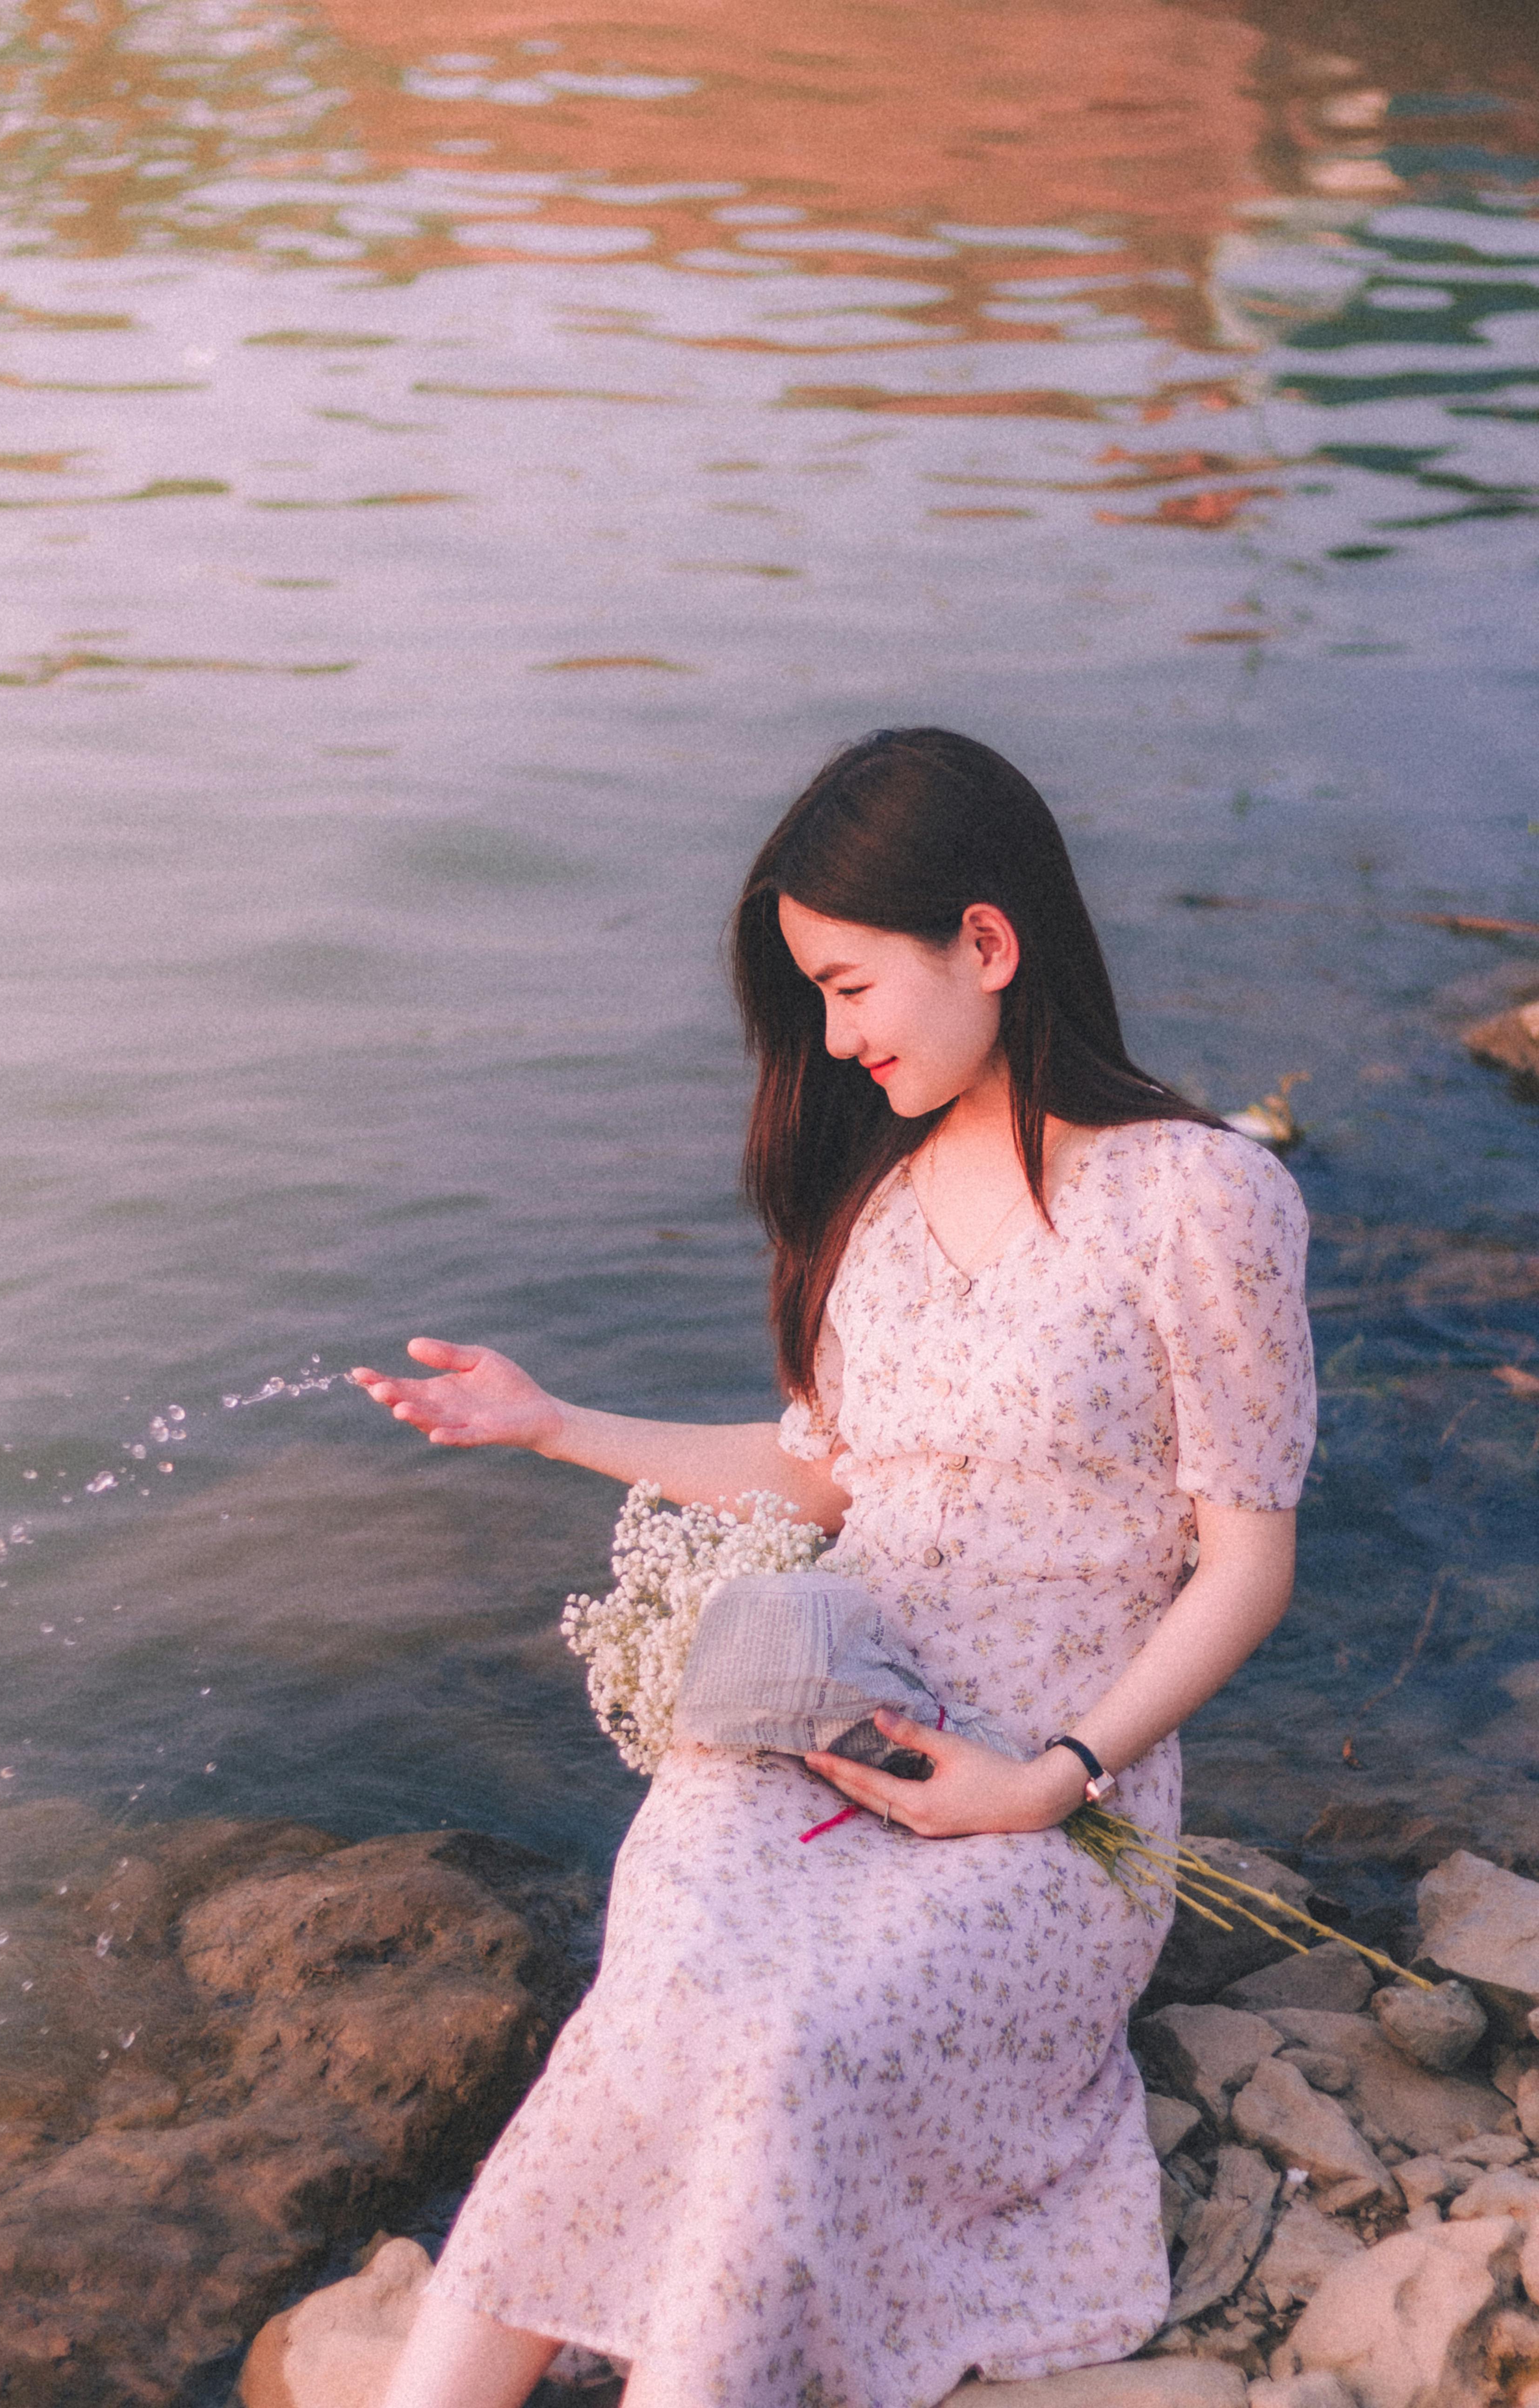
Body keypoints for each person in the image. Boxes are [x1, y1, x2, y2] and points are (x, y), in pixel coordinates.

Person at [352, 726, 1316, 2408]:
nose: (834, 1036)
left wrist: (1049, 1780)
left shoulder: (1199, 1198)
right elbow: (818, 1471)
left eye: (852, 986)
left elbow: (1245, 1562)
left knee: (802, 2045)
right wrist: (553, 1421)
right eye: (815, 996)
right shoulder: (874, 1209)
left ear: (989, 946)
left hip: (1050, 1777)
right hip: (830, 1709)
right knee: (658, 1996)